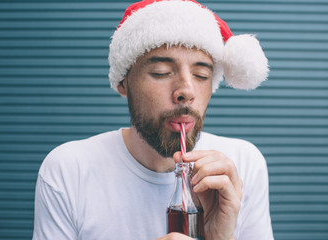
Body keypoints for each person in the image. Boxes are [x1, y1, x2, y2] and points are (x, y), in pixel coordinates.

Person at [32, 0, 273, 239]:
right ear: (123, 83)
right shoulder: (68, 171)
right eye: (161, 73)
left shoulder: (243, 165)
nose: (186, 91)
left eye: (201, 75)